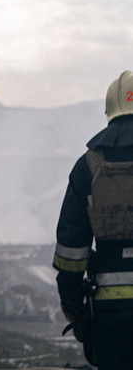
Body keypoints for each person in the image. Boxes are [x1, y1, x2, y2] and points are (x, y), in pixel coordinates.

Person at [53, 70, 133, 369]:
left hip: (110, 315)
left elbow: (71, 248)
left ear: (109, 110)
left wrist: (73, 306)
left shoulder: (88, 165)